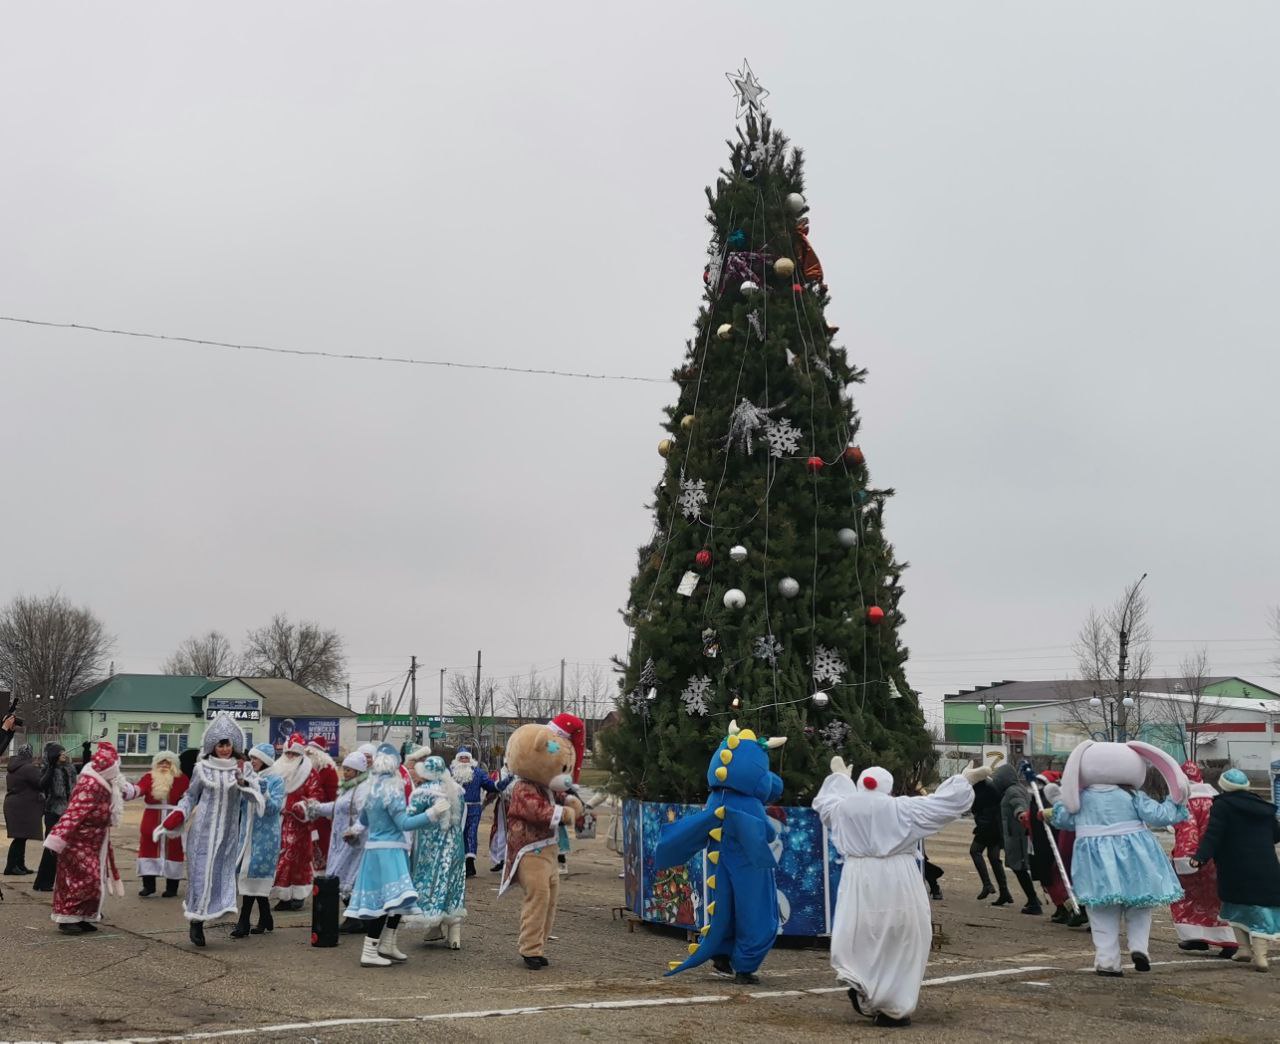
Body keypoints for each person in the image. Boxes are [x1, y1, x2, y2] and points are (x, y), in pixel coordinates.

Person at [814, 759, 989, 1028]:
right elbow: (942, 805)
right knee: (904, 936)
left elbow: (827, 803)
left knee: (860, 929)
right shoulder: (902, 808)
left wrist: (839, 778)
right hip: (898, 877)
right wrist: (964, 780)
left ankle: (860, 977)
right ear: (887, 787)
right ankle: (894, 1003)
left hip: (858, 877)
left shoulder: (843, 808)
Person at [1049, 739, 1188, 977]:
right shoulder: (1132, 795)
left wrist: (1057, 800)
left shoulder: (1080, 799)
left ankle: (1107, 961)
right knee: (1139, 904)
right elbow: (1160, 816)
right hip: (1136, 856)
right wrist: (1175, 802)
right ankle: (1139, 947)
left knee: (1101, 910)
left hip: (1094, 862)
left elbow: (1064, 821)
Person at [153, 714, 264, 947]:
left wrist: (243, 782)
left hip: (227, 834)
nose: (224, 749)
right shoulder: (202, 767)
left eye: (227, 744)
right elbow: (191, 796)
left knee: (219, 875)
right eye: (220, 744)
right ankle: (196, 922)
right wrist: (176, 816)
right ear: (213, 746)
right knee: (200, 875)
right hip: (202, 832)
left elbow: (255, 796)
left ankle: (211, 911)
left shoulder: (241, 768)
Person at [345, 743, 436, 968]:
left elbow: (364, 821)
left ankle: (386, 944)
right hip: (390, 852)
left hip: (375, 851)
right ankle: (370, 949)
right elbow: (404, 823)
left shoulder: (372, 791)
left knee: (396, 899)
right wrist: (431, 814)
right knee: (388, 901)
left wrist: (353, 831)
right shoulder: (391, 792)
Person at [43, 741, 140, 933]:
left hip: (93, 842)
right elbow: (73, 813)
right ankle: (68, 918)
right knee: (84, 880)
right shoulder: (90, 785)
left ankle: (83, 915)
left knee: (94, 881)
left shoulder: (107, 780)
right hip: (78, 842)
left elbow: (127, 790)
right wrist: (56, 839)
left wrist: (146, 785)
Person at [1191, 768, 1280, 972]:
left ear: (1224, 786)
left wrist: (1200, 857)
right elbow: (1276, 835)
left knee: (1235, 906)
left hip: (1234, 866)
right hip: (1266, 865)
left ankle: (1248, 951)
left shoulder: (1222, 806)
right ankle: (1257, 954)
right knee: (1262, 907)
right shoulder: (1264, 807)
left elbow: (1213, 835)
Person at [1171, 762, 1236, 957]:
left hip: (1195, 858)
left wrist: (1183, 858)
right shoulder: (1215, 798)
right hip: (1218, 857)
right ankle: (1228, 939)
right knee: (1218, 899)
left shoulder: (1187, 801)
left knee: (1188, 899)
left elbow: (1187, 830)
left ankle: (1197, 937)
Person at [306, 751, 371, 931]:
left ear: (358, 771)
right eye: (345, 769)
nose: (346, 773)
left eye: (350, 770)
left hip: (354, 842)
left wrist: (355, 830)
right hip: (342, 841)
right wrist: (317, 808)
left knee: (344, 877)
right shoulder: (349, 788)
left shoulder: (362, 789)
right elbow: (337, 808)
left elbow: (365, 814)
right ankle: (356, 917)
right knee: (340, 876)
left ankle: (356, 917)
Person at [407, 755, 467, 948]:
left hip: (430, 849)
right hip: (455, 846)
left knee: (431, 882)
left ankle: (433, 925)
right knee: (452, 882)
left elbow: (409, 817)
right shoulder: (456, 790)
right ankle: (454, 931)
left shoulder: (423, 792)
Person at [231, 743, 287, 938]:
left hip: (265, 838)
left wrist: (263, 792)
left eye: (256, 758)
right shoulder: (249, 778)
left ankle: (243, 922)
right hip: (247, 836)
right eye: (251, 758)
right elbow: (239, 807)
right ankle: (265, 916)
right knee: (249, 877)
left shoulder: (276, 780)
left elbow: (273, 809)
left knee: (253, 876)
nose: (252, 761)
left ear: (266, 760)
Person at [272, 733, 321, 911]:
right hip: (278, 822)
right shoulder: (276, 770)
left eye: (294, 754)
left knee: (296, 860)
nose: (290, 757)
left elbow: (316, 797)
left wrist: (300, 807)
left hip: (299, 825)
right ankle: (283, 895)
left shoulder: (310, 773)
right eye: (288, 753)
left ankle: (298, 895)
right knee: (280, 859)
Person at [135, 751, 188, 898]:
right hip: (151, 819)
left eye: (168, 762)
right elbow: (139, 789)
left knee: (174, 851)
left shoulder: (182, 778)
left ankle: (172, 888)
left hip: (174, 818)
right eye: (161, 762)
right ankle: (149, 886)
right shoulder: (149, 777)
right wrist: (128, 790)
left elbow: (190, 795)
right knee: (148, 850)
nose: (164, 765)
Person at [991, 763, 1040, 914]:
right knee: (1020, 868)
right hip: (1016, 835)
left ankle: (1033, 901)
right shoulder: (1017, 789)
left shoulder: (1012, 791)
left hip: (1017, 837)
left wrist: (1020, 814)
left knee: (1019, 868)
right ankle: (1034, 899)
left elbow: (1020, 805)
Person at [33, 742, 77, 891]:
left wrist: (86, 751)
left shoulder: (70, 768)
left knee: (68, 849)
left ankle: (65, 881)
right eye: (60, 753)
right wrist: (52, 766)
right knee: (51, 849)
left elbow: (83, 772)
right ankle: (43, 882)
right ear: (54, 756)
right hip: (53, 812)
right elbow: (42, 785)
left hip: (68, 813)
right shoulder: (48, 769)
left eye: (64, 752)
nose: (64, 755)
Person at [451, 747, 498, 877]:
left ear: (471, 759)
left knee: (471, 834)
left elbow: (490, 785)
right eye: (462, 758)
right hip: (456, 809)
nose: (464, 760)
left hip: (473, 809)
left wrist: (500, 784)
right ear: (457, 759)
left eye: (466, 757)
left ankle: (470, 864)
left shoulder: (478, 773)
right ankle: (458, 864)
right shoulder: (451, 773)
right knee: (458, 835)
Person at [968, 766, 1009, 902]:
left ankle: (987, 884)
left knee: (975, 851)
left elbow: (977, 807)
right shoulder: (990, 786)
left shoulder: (980, 789)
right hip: (996, 827)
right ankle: (1004, 892)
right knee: (993, 858)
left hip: (987, 827)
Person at [4, 743, 44, 875]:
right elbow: (40, 783)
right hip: (22, 806)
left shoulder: (15, 766)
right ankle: (11, 866)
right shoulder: (28, 768)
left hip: (15, 805)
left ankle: (19, 865)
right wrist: (42, 769)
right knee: (20, 837)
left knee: (21, 837)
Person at [304, 737, 340, 858]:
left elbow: (334, 793)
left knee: (321, 843)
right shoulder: (305, 769)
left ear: (318, 754)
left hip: (322, 816)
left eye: (310, 753)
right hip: (304, 814)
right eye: (306, 753)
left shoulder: (328, 769)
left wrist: (331, 814)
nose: (307, 756)